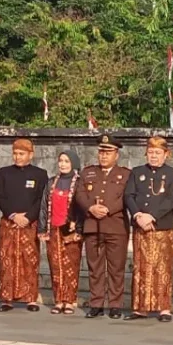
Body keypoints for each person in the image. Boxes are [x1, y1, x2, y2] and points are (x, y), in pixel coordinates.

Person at [125, 136, 173, 322]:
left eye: (157, 153)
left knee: (163, 268)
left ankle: (164, 308)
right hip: (141, 227)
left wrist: (152, 215)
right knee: (141, 267)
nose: (153, 156)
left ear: (166, 154)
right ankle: (140, 308)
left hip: (162, 227)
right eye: (150, 152)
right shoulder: (137, 172)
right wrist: (138, 215)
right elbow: (129, 195)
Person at [76, 134, 133, 319]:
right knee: (95, 268)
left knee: (116, 268)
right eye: (101, 152)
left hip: (116, 226)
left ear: (116, 154)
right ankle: (96, 303)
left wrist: (108, 209)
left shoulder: (125, 174)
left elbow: (127, 197)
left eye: (108, 152)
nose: (104, 156)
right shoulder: (88, 172)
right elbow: (80, 194)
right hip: (93, 225)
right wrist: (90, 207)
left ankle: (115, 304)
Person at [0, 138, 49, 312]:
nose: (17, 157)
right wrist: (13, 215)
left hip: (29, 224)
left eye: (21, 154)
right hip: (9, 222)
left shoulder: (40, 174)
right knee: (6, 260)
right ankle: (7, 299)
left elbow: (42, 198)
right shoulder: (4, 173)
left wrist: (29, 217)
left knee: (30, 260)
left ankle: (30, 299)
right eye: (15, 153)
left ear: (30, 155)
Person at [39, 150, 85, 315]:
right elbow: (44, 205)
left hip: (71, 229)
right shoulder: (51, 182)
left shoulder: (79, 182)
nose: (63, 164)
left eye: (66, 161)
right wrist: (42, 228)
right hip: (54, 229)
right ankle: (58, 300)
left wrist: (78, 227)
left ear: (73, 163)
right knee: (55, 265)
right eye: (61, 161)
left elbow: (83, 206)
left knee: (71, 265)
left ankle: (70, 301)